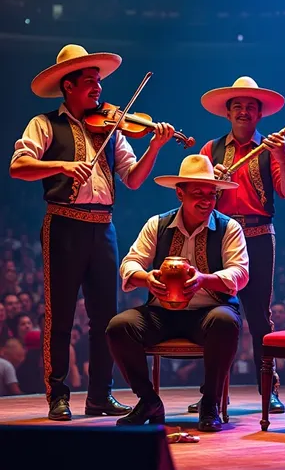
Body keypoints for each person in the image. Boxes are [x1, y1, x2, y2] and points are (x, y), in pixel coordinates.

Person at [9, 44, 175, 420]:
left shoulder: (112, 129)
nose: (98, 88)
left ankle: (100, 395)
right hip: (64, 222)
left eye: (98, 81)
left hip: (103, 228)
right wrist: (64, 167)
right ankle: (57, 394)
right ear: (68, 86)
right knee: (61, 313)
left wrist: (154, 146)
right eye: (89, 82)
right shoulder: (45, 123)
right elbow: (18, 165)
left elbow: (132, 180)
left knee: (107, 318)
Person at [106, 154, 249, 431]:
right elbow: (129, 263)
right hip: (162, 314)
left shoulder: (229, 228)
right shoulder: (157, 225)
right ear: (179, 193)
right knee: (119, 327)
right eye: (198, 194)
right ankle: (148, 400)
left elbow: (240, 273)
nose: (207, 201)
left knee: (225, 321)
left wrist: (204, 280)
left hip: (209, 313)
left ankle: (210, 403)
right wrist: (147, 278)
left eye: (212, 194)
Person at [187, 77, 285, 415]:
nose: (244, 111)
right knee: (213, 314)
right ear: (228, 113)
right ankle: (212, 391)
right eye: (238, 106)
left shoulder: (270, 148)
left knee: (259, 318)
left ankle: (269, 390)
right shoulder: (210, 150)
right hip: (220, 238)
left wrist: (283, 154)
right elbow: (195, 197)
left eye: (251, 107)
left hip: (258, 235)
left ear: (259, 115)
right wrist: (213, 182)